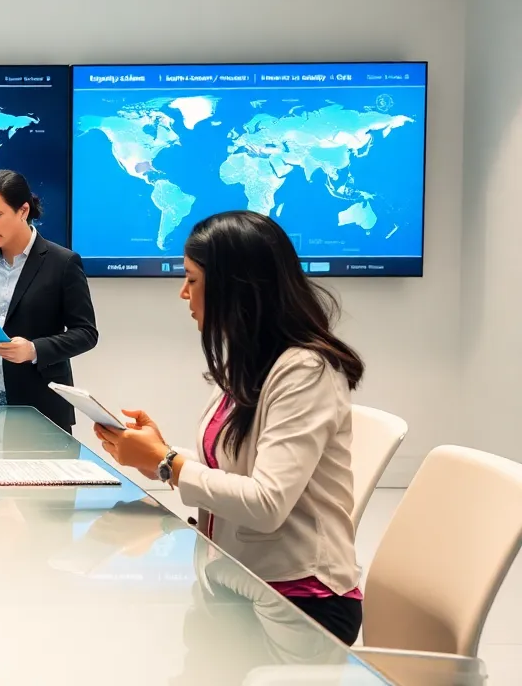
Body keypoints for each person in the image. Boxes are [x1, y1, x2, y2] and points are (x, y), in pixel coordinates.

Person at [93, 210, 365, 645]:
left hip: (301, 603)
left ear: (236, 287)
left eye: (192, 279)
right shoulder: (252, 361)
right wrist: (158, 456)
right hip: (240, 580)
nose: (183, 293)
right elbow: (233, 471)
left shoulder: (306, 371)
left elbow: (266, 503)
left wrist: (168, 463)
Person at [0, 170, 98, 428]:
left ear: (23, 210)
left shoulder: (63, 262)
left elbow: (86, 333)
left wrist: (33, 350)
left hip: (39, 407)